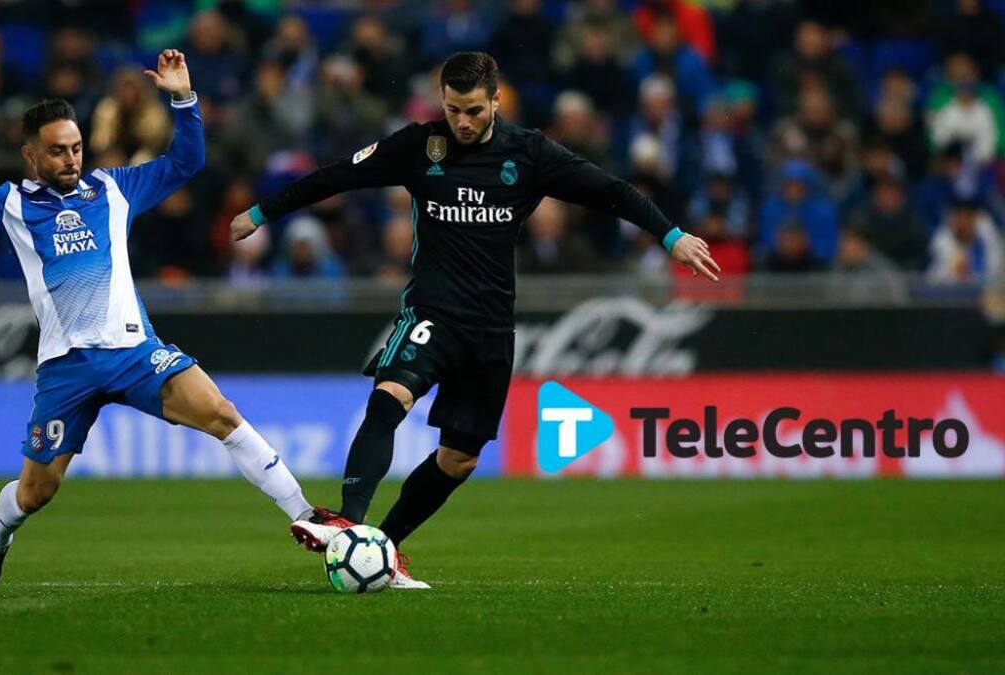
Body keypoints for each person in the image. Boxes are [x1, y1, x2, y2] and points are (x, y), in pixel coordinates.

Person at [230, 52, 718, 588]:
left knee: (458, 459)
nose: (463, 122)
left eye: (473, 111)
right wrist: (261, 213)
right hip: (432, 312)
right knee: (390, 394)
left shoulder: (529, 154)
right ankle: (349, 522)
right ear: (442, 101)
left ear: (495, 101)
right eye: (453, 109)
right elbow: (337, 176)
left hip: (489, 331)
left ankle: (383, 548)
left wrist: (672, 236)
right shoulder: (420, 147)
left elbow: (611, 191)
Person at [0, 50, 317, 588]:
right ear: (31, 156)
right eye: (57, 152)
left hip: (135, 354)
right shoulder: (8, 206)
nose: (71, 159)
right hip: (67, 368)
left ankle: (309, 517)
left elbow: (185, 163)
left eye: (76, 148)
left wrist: (184, 99)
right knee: (36, 493)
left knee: (221, 412)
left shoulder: (115, 189)